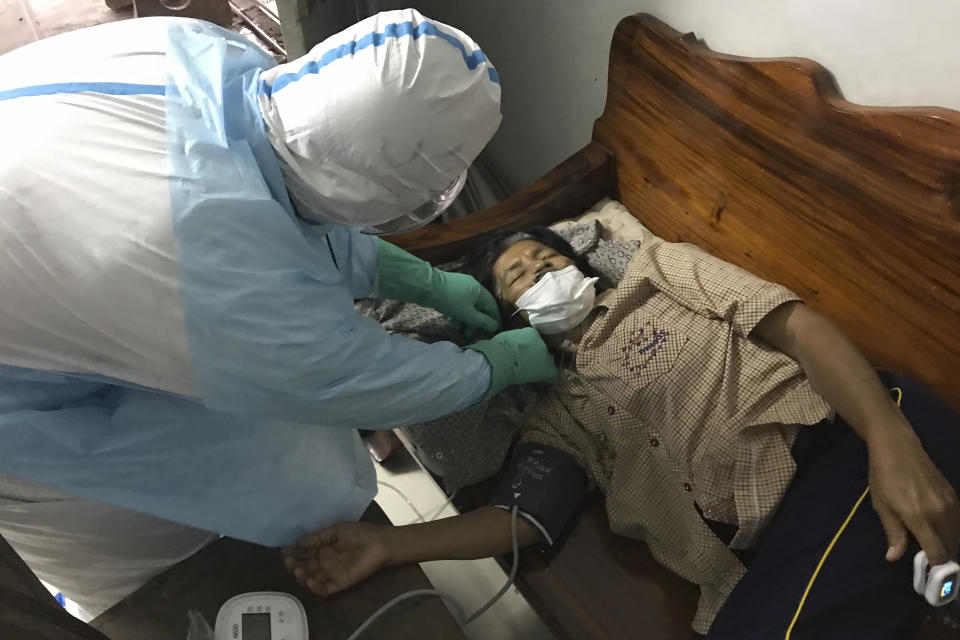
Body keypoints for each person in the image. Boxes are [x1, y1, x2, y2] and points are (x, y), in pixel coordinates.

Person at [0, 10, 556, 617]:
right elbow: (350, 379)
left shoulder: (210, 58)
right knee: (148, 549)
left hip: (52, 241)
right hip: (27, 399)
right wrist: (491, 367)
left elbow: (277, 187)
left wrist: (419, 279)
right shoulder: (216, 275)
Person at [283, 225, 960, 638]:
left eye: (545, 259)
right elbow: (523, 519)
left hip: (849, 448)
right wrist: (389, 545)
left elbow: (796, 325)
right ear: (510, 317)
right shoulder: (558, 415)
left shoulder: (655, 275)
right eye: (519, 276)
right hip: (781, 552)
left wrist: (889, 441)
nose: (541, 271)